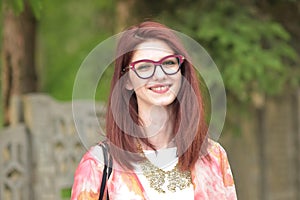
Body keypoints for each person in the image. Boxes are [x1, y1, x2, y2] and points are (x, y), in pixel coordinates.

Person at [71, 21, 237, 200]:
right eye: (144, 66)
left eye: (169, 63)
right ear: (126, 80)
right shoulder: (98, 164)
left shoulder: (213, 156)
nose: (159, 75)